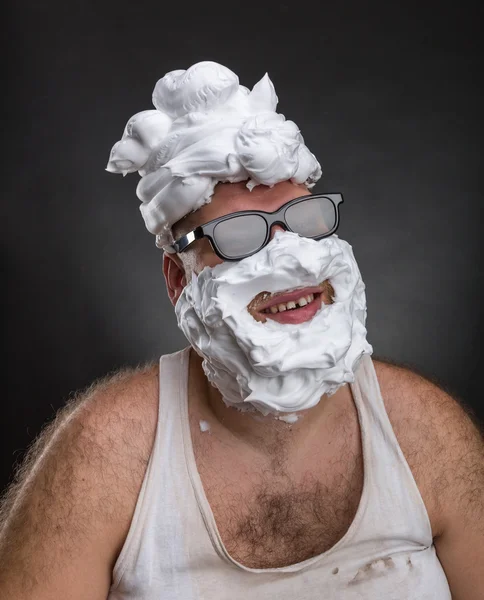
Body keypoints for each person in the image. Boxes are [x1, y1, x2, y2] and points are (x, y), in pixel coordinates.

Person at [0, 61, 483, 600]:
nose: (289, 259)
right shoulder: (105, 456)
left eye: (303, 220)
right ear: (179, 279)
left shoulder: (425, 432)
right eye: (238, 234)